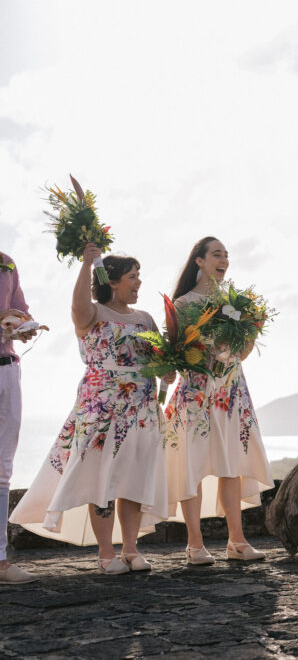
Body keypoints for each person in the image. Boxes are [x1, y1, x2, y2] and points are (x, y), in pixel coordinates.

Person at [11, 244, 171, 574]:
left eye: (139, 276)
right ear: (112, 281)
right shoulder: (93, 313)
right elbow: (77, 304)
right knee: (104, 477)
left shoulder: (146, 318)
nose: (138, 282)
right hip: (101, 405)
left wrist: (168, 370)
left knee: (135, 476)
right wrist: (87, 265)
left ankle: (131, 549)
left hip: (141, 405)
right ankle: (105, 553)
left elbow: (160, 361)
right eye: (132, 276)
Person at [164, 236, 272, 565]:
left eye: (226, 255)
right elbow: (178, 354)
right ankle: (195, 545)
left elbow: (240, 354)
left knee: (232, 467)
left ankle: (237, 542)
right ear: (199, 260)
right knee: (192, 466)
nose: (223, 259)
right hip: (196, 390)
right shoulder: (182, 304)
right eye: (216, 254)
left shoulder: (236, 303)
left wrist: (251, 330)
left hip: (230, 390)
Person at [0, 250, 39, 584]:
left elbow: (20, 310)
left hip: (8, 371)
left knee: (2, 470)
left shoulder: (8, 261)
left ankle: (0, 560)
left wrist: (24, 325)